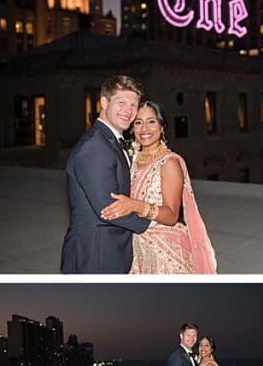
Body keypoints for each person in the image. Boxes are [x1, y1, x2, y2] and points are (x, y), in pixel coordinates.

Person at [99, 100, 218, 274]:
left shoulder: (169, 163)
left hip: (167, 255)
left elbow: (171, 215)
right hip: (137, 250)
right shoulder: (132, 160)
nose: (144, 129)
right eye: (138, 122)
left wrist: (135, 205)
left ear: (162, 126)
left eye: (151, 121)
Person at [61, 74, 152, 273]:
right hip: (96, 253)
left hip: (108, 249)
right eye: (121, 102)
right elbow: (108, 209)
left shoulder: (108, 140)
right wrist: (152, 224)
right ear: (104, 101)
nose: (128, 111)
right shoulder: (95, 147)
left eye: (133, 105)